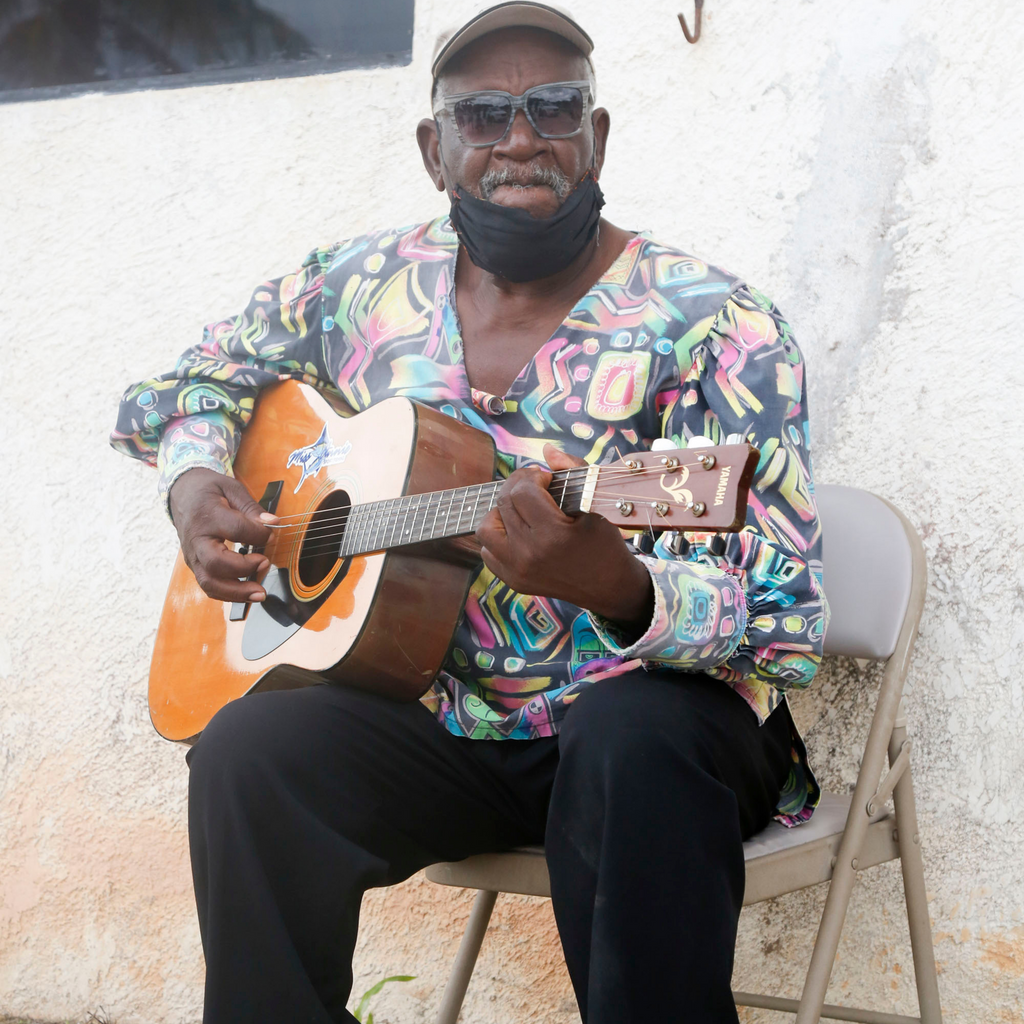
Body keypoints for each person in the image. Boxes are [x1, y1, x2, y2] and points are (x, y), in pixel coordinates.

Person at [111, 4, 828, 1022]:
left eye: (553, 108)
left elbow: (786, 616)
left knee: (628, 738)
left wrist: (624, 590)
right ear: (433, 149)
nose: (520, 138)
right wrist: (192, 480)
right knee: (247, 754)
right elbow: (192, 380)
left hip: (654, 735)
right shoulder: (361, 287)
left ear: (599, 135)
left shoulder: (718, 325)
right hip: (446, 721)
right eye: (483, 115)